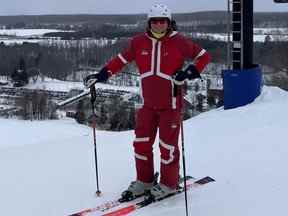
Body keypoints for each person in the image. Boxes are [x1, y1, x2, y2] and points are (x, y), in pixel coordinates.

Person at [84, 3, 211, 200]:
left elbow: (203, 56)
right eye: (155, 21)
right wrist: (102, 75)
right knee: (141, 144)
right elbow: (121, 60)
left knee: (167, 146)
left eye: (163, 21)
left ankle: (169, 183)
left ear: (169, 23)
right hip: (147, 105)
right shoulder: (138, 42)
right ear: (149, 23)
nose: (159, 25)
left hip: (170, 104)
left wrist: (189, 72)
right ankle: (145, 181)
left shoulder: (179, 41)